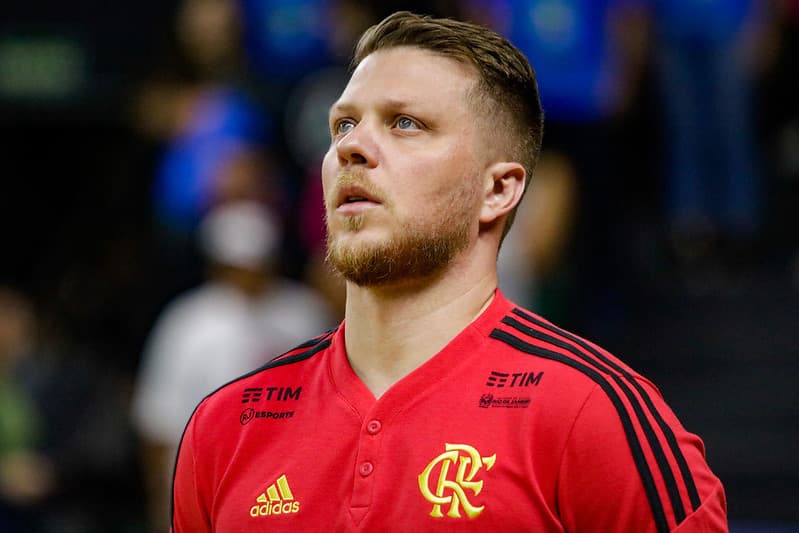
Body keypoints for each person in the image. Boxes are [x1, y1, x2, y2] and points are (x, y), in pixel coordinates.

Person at [171, 11, 727, 531]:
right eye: (342, 125)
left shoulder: (594, 412)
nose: (352, 147)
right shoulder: (226, 424)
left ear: (498, 189)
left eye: (405, 123)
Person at [133, 200, 332, 531]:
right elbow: (159, 421)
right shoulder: (186, 322)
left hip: (293, 485)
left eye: (258, 264)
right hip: (205, 483)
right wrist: (160, 502)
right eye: (238, 266)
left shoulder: (304, 313)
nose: (248, 275)